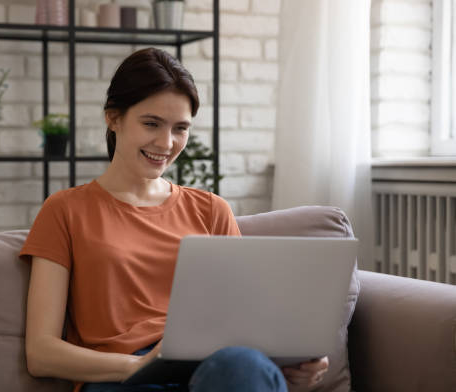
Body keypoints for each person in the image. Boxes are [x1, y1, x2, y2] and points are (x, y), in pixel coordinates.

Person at [19, 47, 329, 392]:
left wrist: (292, 363)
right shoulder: (65, 210)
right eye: (151, 123)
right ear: (113, 118)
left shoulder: (211, 211)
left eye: (180, 128)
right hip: (122, 378)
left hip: (211, 370)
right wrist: (138, 365)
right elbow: (40, 352)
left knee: (241, 367)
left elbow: (244, 323)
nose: (166, 143)